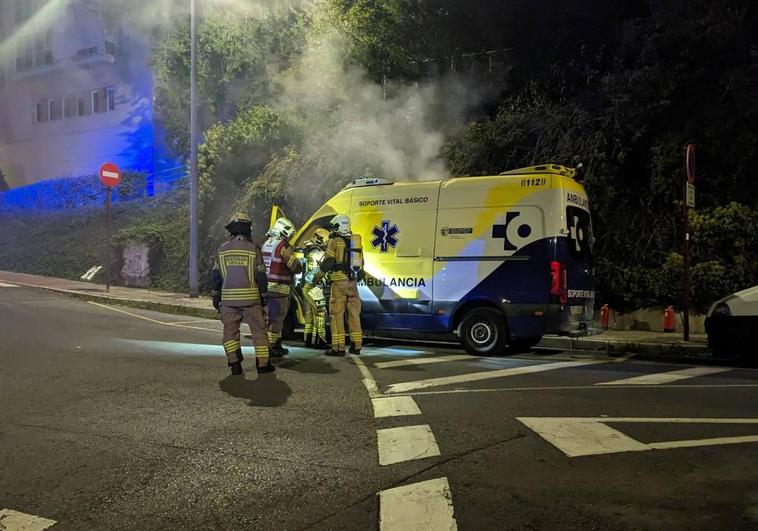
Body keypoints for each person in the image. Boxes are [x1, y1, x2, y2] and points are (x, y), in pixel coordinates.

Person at [211, 212, 274, 375]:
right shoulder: (254, 249)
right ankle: (263, 365)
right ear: (248, 229)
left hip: (228, 300)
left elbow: (216, 276)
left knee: (230, 332)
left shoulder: (222, 250)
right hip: (251, 299)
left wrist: (215, 295)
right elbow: (260, 276)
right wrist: (264, 294)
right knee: (259, 331)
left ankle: (234, 364)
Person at [320, 214, 364, 356]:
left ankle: (338, 348)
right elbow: (361, 263)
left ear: (338, 226)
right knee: (354, 315)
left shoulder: (334, 241)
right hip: (352, 283)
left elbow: (328, 262)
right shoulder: (355, 241)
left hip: (338, 283)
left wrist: (321, 269)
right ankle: (356, 346)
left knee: (336, 315)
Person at [262, 217, 302, 357]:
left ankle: (271, 344)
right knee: (277, 319)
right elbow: (293, 265)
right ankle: (273, 346)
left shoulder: (267, 243)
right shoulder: (282, 246)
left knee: (270, 318)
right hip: (280, 288)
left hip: (267, 287)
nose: (289, 238)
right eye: (289, 234)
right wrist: (299, 264)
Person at [301, 228, 330, 349]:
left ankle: (308, 340)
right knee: (321, 312)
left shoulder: (309, 250)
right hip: (314, 287)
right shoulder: (317, 253)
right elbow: (318, 272)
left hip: (308, 286)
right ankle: (321, 340)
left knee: (310, 315)